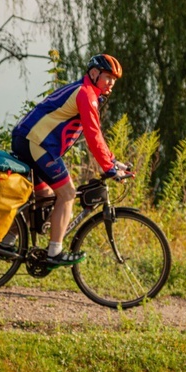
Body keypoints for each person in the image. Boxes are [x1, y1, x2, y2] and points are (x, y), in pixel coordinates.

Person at [10, 54, 129, 265]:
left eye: (114, 79)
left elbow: (96, 136)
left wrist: (113, 161)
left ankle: (6, 241)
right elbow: (93, 135)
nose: (111, 82)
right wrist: (109, 168)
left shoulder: (84, 91)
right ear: (94, 73)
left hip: (28, 140)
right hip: (35, 142)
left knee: (44, 196)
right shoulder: (85, 94)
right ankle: (54, 252)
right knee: (67, 193)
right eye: (108, 77)